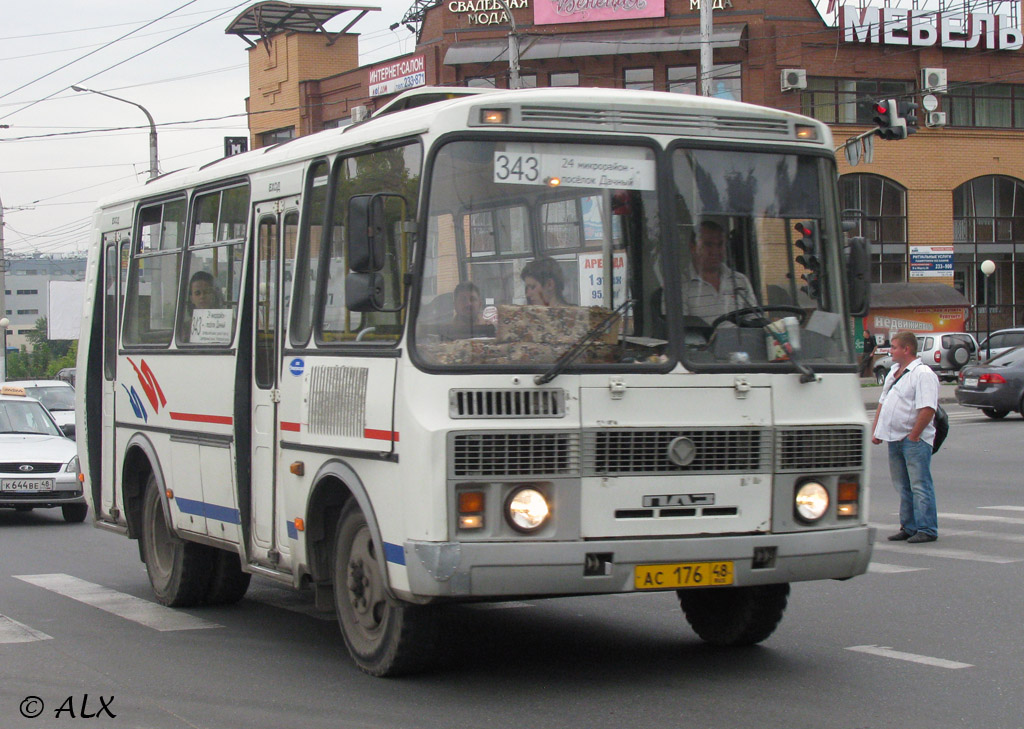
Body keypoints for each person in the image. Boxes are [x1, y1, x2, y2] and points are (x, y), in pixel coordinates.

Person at [871, 330, 940, 543]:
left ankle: (926, 528)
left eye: (893, 347)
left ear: (906, 349)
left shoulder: (922, 373)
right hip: (894, 438)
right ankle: (909, 526)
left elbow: (928, 408)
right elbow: (883, 402)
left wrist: (914, 435)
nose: (890, 351)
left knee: (919, 484)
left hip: (913, 440)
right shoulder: (893, 372)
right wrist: (877, 430)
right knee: (902, 485)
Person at [683, 220, 757, 324]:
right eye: (708, 245)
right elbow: (681, 332)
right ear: (692, 247)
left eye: (720, 245)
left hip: (740, 339)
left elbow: (754, 322)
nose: (715, 251)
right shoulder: (678, 287)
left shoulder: (740, 281)